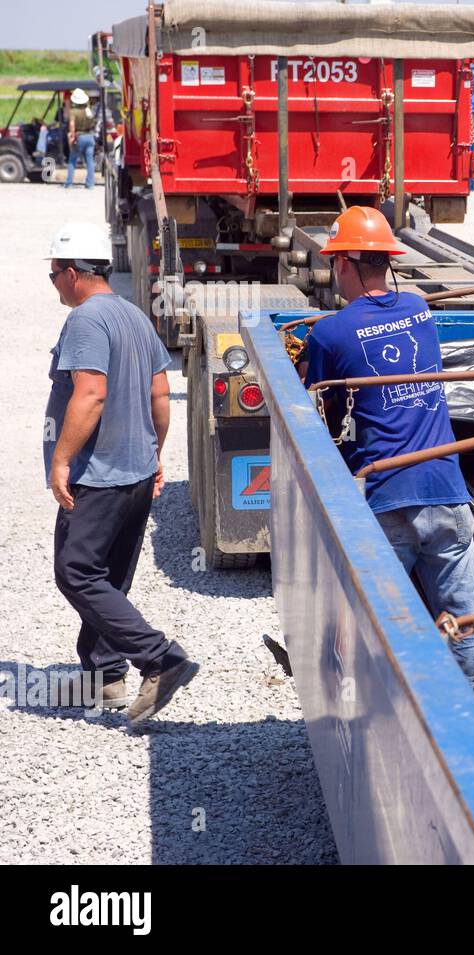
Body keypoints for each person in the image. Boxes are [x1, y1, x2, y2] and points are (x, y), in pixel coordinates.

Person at [304, 206, 474, 680]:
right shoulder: (420, 309)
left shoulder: (329, 332)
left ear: (341, 263)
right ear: (389, 262)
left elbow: (325, 413)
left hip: (390, 501)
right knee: (466, 621)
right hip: (448, 492)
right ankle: (460, 710)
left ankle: (357, 701)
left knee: (367, 619)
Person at [45, 221, 197, 724]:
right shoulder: (135, 316)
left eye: (53, 275)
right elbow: (159, 395)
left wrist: (62, 459)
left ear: (72, 273)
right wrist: (155, 454)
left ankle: (160, 657)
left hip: (100, 474)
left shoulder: (87, 320)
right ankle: (105, 675)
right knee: (107, 576)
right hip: (134, 472)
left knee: (76, 572)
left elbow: (91, 394)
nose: (54, 285)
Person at [64, 89, 96, 190]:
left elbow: (72, 125)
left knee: (72, 160)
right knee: (90, 161)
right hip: (90, 136)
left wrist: (72, 137)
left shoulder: (74, 111)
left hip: (79, 136)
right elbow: (93, 123)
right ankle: (90, 184)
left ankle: (69, 183)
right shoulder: (88, 110)